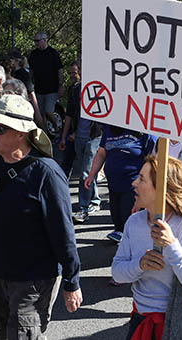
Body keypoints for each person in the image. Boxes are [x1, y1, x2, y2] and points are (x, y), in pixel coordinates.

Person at [0, 94, 82, 339]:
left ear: (21, 132)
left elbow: (63, 232)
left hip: (33, 280)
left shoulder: (47, 174)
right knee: (3, 333)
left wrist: (72, 282)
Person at [111, 156, 182, 340]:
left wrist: (171, 245)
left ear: (163, 190)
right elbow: (117, 273)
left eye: (142, 179)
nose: (134, 183)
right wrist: (140, 265)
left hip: (177, 322)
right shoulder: (134, 222)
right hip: (140, 320)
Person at [85, 127, 157, 243]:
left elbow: (153, 161)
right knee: (117, 217)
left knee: (129, 219)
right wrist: (91, 175)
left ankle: (131, 246)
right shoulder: (109, 129)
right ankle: (121, 239)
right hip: (113, 184)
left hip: (133, 186)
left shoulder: (146, 133)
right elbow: (101, 153)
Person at [58, 62, 102, 223]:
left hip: (95, 136)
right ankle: (95, 200)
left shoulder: (100, 88)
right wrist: (64, 136)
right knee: (89, 171)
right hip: (79, 137)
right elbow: (69, 114)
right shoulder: (75, 89)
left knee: (85, 172)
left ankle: (83, 208)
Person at [29, 32, 64, 118]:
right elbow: (31, 70)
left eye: (38, 41)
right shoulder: (34, 54)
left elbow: (60, 69)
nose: (36, 43)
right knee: (40, 114)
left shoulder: (53, 53)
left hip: (52, 89)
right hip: (38, 89)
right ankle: (45, 130)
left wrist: (61, 85)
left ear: (44, 40)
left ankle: (57, 128)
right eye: (35, 41)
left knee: (49, 111)